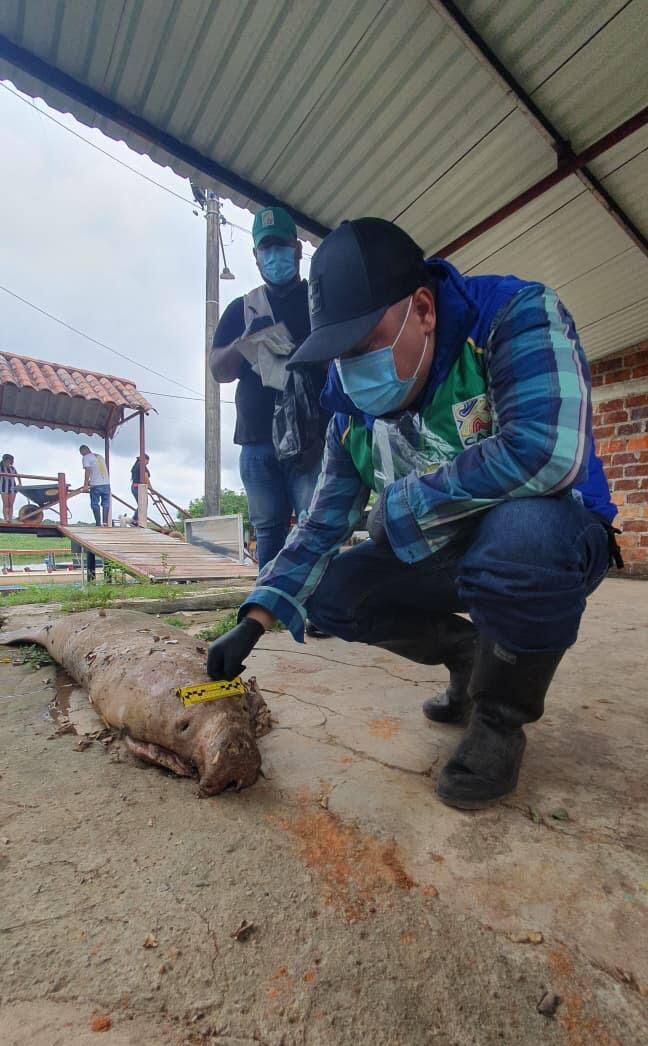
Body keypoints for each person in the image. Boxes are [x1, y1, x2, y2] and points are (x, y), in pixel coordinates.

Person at [206, 217, 620, 812]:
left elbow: (546, 450)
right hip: (443, 546)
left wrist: (404, 500)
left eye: (365, 344)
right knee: (331, 593)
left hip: (552, 535)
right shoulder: (349, 407)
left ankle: (499, 722)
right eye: (340, 355)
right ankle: (467, 654)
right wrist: (255, 617)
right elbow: (321, 526)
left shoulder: (511, 315)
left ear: (423, 310)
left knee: (521, 538)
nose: (352, 370)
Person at [210, 205, 327, 574]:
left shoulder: (318, 302)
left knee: (316, 525)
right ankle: (270, 607)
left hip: (311, 440)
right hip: (258, 441)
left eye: (281, 246)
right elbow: (218, 370)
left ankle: (319, 609)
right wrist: (241, 343)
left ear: (296, 249)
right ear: (256, 256)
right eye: (266, 249)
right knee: (268, 529)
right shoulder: (241, 309)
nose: (274, 256)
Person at [80, 445, 111, 527]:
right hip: (106, 484)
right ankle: (105, 523)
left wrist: (85, 484)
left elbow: (88, 470)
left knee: (94, 503)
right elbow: (98, 470)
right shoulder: (100, 457)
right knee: (106, 503)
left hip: (95, 485)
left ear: (83, 451)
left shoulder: (86, 457)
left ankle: (98, 523)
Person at [130, 454, 150, 525]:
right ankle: (135, 519)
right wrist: (150, 488)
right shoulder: (141, 466)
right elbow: (146, 477)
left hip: (134, 487)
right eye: (147, 461)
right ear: (145, 459)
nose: (148, 463)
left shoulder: (136, 465)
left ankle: (136, 519)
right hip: (138, 488)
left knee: (141, 504)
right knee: (143, 504)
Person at [1, 453, 19, 522]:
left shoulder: (12, 468)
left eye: (11, 460)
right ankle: (6, 519)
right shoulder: (0, 467)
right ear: (5, 460)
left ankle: (10, 519)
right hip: (3, 487)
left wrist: (19, 484)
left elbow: (18, 475)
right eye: (9, 459)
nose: (10, 461)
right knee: (5, 504)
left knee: (11, 504)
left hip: (12, 487)